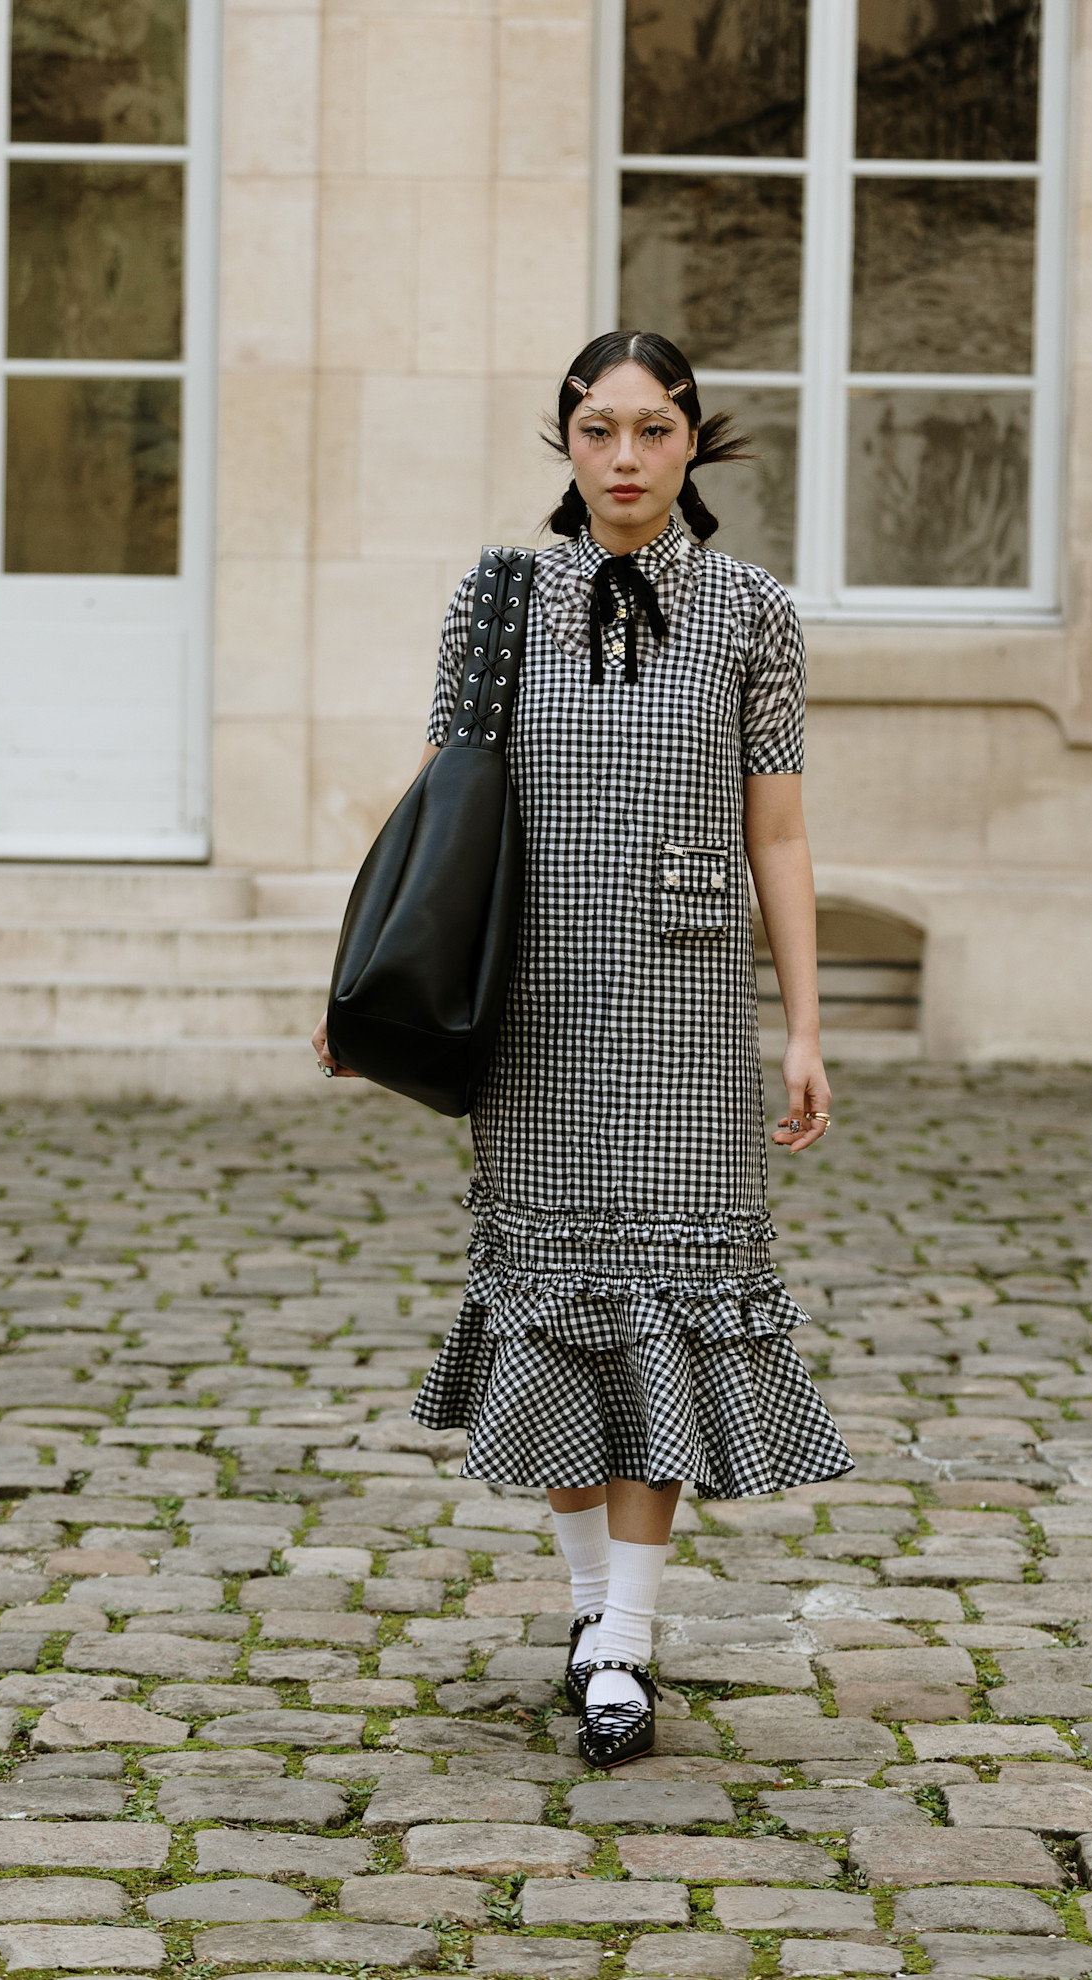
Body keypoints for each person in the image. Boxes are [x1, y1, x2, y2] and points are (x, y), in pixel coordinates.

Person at [313, 329, 850, 1767]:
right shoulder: (497, 600)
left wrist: (804, 1026)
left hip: (685, 1012)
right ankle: (587, 1612)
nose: (625, 458)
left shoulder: (754, 611)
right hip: (538, 1003)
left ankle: (628, 1639)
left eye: (655, 430)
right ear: (566, 439)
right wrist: (366, 981)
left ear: (694, 443)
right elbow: (438, 800)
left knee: (665, 1307)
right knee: (557, 1305)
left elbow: (780, 833)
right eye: (600, 429)